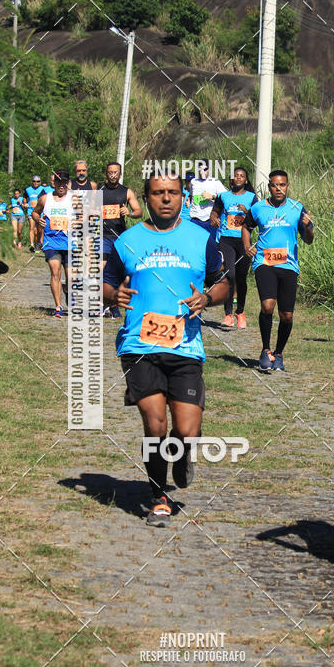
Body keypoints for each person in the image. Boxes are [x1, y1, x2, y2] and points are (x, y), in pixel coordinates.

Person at [103, 173, 229, 527]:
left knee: (185, 431)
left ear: (183, 198)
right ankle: (158, 494)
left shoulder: (201, 238)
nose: (166, 199)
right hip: (138, 344)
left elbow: (224, 286)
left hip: (185, 345)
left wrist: (206, 297)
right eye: (158, 193)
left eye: (172, 193)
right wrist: (113, 295)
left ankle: (182, 453)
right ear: (146, 197)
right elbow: (105, 283)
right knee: (155, 424)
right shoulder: (127, 241)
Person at [242, 169, 314, 372]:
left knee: (287, 315)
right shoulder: (258, 208)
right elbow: (246, 227)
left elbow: (308, 240)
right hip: (264, 263)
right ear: (269, 187)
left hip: (289, 265)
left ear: (288, 186)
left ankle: (279, 353)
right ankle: (265, 350)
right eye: (274, 185)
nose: (278, 188)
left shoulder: (297, 208)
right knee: (267, 306)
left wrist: (308, 227)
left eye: (282, 185)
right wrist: (247, 246)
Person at [210, 166, 257, 328]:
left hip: (243, 241)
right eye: (236, 176)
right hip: (226, 240)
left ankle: (241, 313)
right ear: (232, 179)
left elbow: (257, 219)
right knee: (229, 274)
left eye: (241, 176)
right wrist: (213, 217)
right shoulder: (223, 196)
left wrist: (247, 212)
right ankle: (228, 314)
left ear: (246, 180)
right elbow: (215, 212)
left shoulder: (252, 198)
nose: (238, 178)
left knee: (241, 278)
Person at [100, 161, 142, 318]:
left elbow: (138, 211)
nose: (112, 175)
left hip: (119, 236)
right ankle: (105, 303)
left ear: (120, 174)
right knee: (103, 269)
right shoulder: (99, 191)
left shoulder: (126, 192)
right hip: (102, 235)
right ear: (106, 173)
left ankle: (114, 304)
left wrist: (129, 212)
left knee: (119, 271)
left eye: (115, 173)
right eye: (110, 172)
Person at [32, 170, 72, 317]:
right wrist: (38, 219)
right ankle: (58, 306)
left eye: (64, 182)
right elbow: (35, 212)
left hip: (70, 243)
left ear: (67, 183)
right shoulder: (45, 199)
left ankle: (67, 290)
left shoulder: (75, 199)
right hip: (51, 242)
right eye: (59, 182)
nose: (61, 185)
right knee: (55, 272)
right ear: (54, 183)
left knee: (71, 277)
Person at [189, 160, 225, 235]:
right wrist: (188, 201)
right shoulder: (193, 182)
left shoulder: (215, 182)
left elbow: (225, 198)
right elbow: (191, 196)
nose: (202, 172)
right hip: (196, 219)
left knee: (210, 245)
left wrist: (212, 197)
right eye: (200, 169)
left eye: (205, 169)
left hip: (210, 220)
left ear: (209, 169)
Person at [24, 175, 44, 253]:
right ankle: (32, 245)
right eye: (34, 181)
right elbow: (24, 196)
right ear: (32, 182)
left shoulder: (43, 189)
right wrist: (25, 203)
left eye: (38, 181)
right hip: (31, 211)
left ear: (40, 182)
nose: (36, 183)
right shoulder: (28, 189)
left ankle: (39, 244)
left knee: (39, 229)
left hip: (40, 212)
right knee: (32, 227)